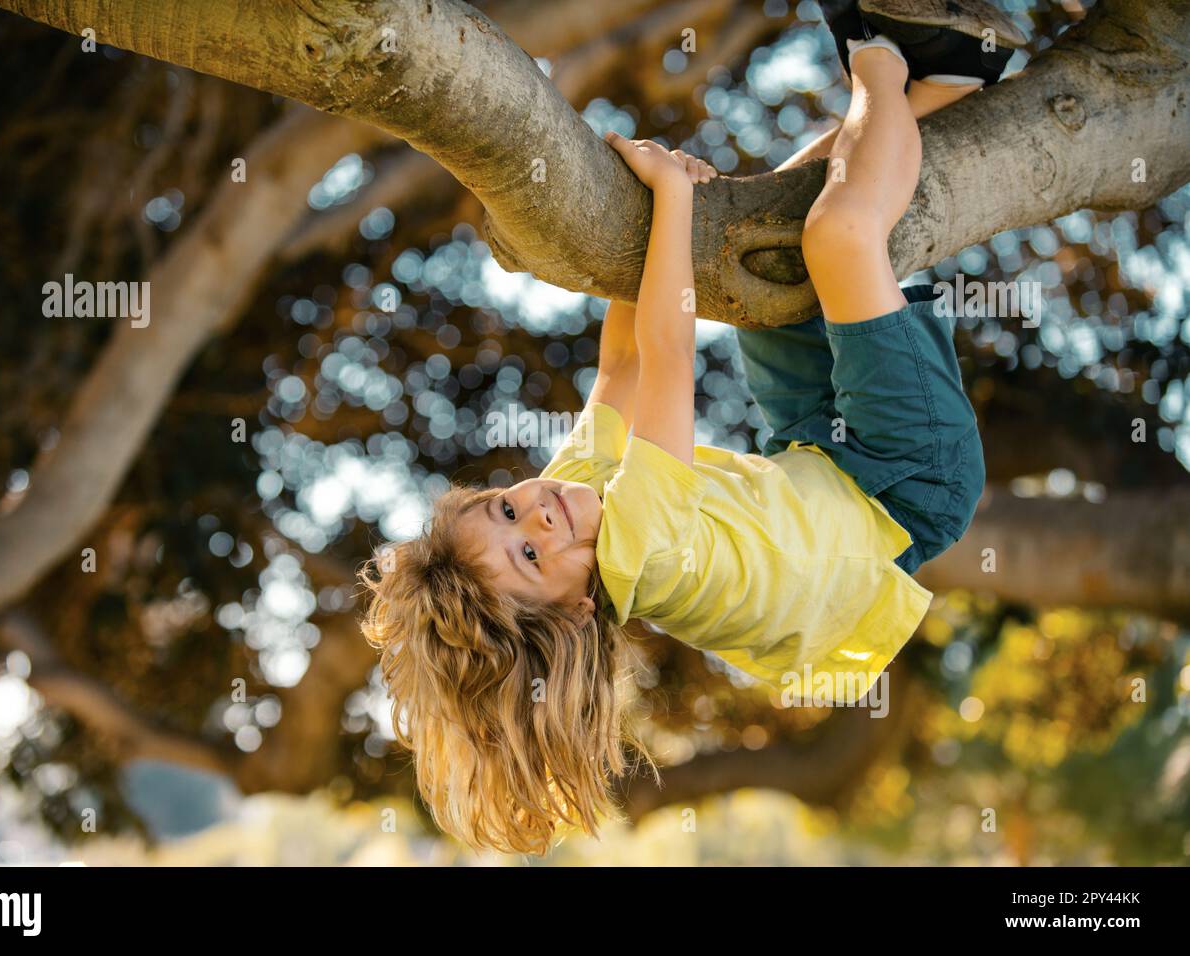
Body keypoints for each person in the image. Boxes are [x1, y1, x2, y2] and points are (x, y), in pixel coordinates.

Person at [358, 0, 1023, 855]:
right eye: (531, 557)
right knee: (840, 236)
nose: (539, 517)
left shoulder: (574, 500)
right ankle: (880, 55)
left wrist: (645, 221)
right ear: (569, 616)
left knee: (759, 239)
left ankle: (949, 85)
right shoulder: (643, 550)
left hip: (817, 456)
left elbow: (625, 366)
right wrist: (671, 194)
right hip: (908, 484)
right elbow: (670, 357)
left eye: (504, 509)